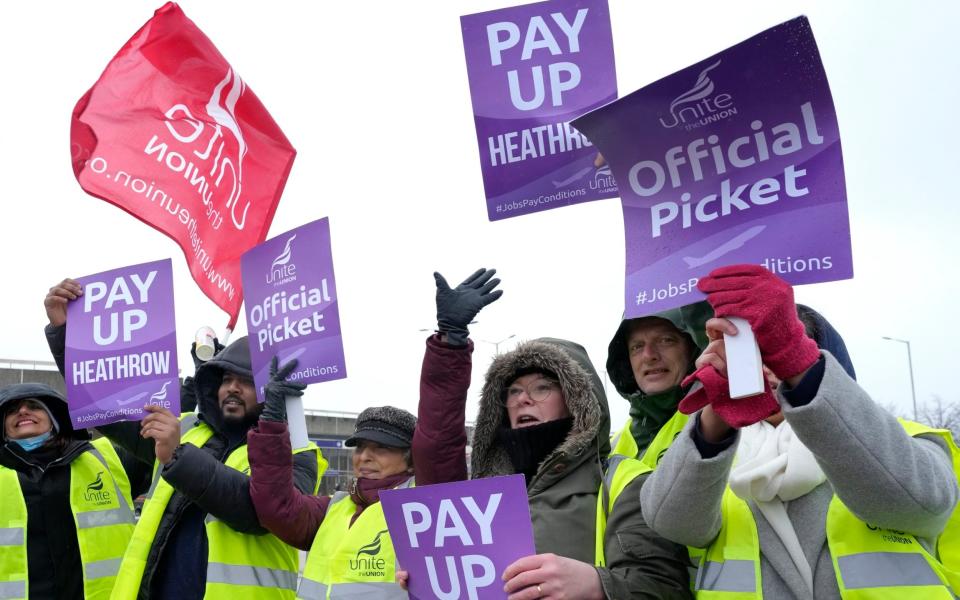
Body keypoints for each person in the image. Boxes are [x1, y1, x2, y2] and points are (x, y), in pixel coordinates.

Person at [640, 264, 960, 598]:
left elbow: (919, 505)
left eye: (778, 352)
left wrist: (800, 364)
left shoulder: (909, 439)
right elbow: (671, 524)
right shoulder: (720, 454)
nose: (770, 369)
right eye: (757, 356)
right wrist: (715, 414)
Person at [407, 268, 692, 599]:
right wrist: (432, 575)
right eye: (513, 391)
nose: (523, 398)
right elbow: (437, 450)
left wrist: (599, 585)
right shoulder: (482, 498)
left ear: (576, 401)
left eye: (542, 387)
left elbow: (665, 588)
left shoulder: (625, 483)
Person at [43, 278, 322, 599]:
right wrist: (66, 333)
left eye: (245, 381)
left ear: (271, 391)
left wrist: (177, 455)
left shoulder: (298, 453)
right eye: (225, 378)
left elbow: (256, 512)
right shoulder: (186, 427)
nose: (232, 387)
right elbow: (108, 410)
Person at [248, 361, 415, 599]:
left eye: (381, 448)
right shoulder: (334, 507)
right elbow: (275, 505)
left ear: (411, 459)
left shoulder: (420, 509)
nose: (364, 457)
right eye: (359, 447)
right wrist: (273, 422)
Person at [0, 383, 137, 599]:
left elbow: (156, 444)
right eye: (12, 409)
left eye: (34, 406)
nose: (23, 411)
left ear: (55, 418)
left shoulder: (108, 458)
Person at [605, 302, 711, 467]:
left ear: (693, 349)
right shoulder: (610, 449)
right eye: (637, 346)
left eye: (666, 340)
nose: (648, 355)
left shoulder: (726, 420)